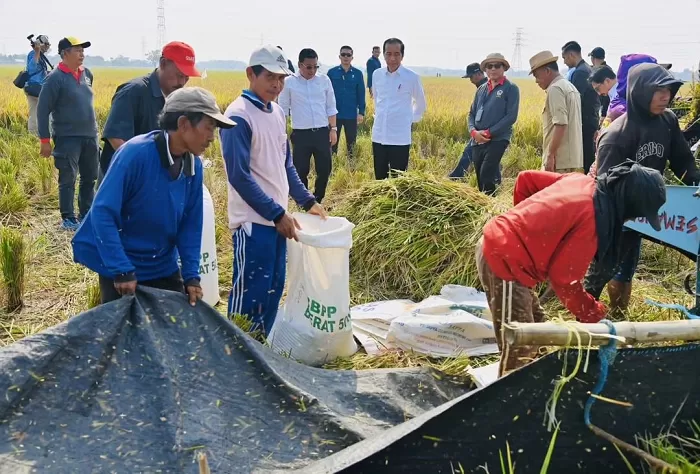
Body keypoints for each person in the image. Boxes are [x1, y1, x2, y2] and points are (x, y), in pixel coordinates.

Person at [476, 162, 666, 375]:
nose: (632, 219)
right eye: (636, 213)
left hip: (505, 252)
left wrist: (532, 228)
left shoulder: (581, 181)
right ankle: (509, 404)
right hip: (504, 261)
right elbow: (565, 281)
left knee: (540, 334)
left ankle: (537, 387)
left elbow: (525, 180)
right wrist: (593, 313)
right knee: (521, 350)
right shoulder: (592, 217)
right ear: (628, 203)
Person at [72, 87, 236, 305]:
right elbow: (103, 212)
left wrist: (191, 276)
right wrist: (121, 269)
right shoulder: (135, 155)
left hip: (160, 263)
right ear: (184, 124)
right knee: (123, 333)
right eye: (209, 127)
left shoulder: (193, 166)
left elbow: (190, 224)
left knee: (172, 330)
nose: (211, 138)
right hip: (121, 262)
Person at [220, 45, 327, 335]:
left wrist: (307, 201)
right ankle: (239, 353)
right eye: (270, 77)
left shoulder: (277, 112)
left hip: (278, 221)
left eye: (281, 79)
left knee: (272, 289)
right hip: (254, 222)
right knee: (250, 294)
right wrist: (277, 214)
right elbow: (239, 177)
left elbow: (286, 165)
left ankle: (260, 353)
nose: (277, 85)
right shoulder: (238, 116)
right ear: (250, 74)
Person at [584, 63, 700, 312]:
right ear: (639, 91)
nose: (666, 97)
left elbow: (683, 162)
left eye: (669, 90)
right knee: (606, 268)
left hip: (648, 206)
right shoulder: (617, 136)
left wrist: (696, 182)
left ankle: (619, 315)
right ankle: (582, 313)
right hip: (618, 211)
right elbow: (605, 191)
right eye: (658, 90)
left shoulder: (667, 121)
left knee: (627, 269)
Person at [99, 41, 200, 176]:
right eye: (179, 75)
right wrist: (141, 170)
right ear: (163, 64)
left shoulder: (177, 100)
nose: (182, 82)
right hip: (122, 177)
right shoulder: (133, 91)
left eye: (186, 77)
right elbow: (116, 138)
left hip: (154, 178)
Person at [37, 37, 99, 231]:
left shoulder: (87, 74)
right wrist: (45, 140)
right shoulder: (55, 78)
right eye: (77, 50)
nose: (82, 54)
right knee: (68, 177)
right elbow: (42, 110)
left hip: (90, 135)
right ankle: (68, 218)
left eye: (83, 50)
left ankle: (86, 213)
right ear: (65, 53)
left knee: (90, 177)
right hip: (67, 137)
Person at [278, 48, 338, 204]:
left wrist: (333, 129)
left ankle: (318, 198)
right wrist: (281, 134)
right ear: (299, 65)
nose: (312, 70)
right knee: (300, 170)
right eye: (308, 66)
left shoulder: (324, 81)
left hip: (322, 133)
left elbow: (331, 106)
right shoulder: (289, 83)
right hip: (301, 134)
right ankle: (304, 202)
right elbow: (283, 110)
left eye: (315, 66)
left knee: (325, 169)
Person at [371, 38, 427, 179]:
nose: (392, 58)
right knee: (380, 179)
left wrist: (409, 120)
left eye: (397, 54)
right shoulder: (377, 75)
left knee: (398, 179)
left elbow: (421, 103)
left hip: (400, 138)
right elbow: (377, 100)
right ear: (383, 55)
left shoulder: (411, 77)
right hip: (379, 135)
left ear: (402, 55)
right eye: (388, 54)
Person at [468, 53, 519, 195]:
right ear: (485, 70)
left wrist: (489, 132)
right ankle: (484, 207)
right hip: (477, 140)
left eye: (497, 66)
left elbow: (511, 117)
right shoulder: (481, 89)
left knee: (486, 174)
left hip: (497, 139)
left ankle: (492, 210)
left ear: (504, 68)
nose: (493, 69)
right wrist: (473, 132)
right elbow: (471, 113)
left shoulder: (511, 88)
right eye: (489, 66)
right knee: (479, 176)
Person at [529, 51, 583, 173]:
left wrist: (550, 155)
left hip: (559, 162)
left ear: (547, 71)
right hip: (573, 159)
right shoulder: (569, 86)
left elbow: (561, 124)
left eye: (537, 76)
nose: (536, 81)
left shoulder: (555, 89)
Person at [562, 41, 600, 174]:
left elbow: (576, 100)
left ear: (571, 55)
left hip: (584, 122)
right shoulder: (587, 68)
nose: (565, 62)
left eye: (565, 58)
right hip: (591, 120)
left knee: (585, 157)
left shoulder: (580, 72)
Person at [450, 63, 491, 178]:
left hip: (485, 130)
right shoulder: (482, 88)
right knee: (480, 155)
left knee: (472, 153)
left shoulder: (487, 88)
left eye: (471, 77)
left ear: (478, 74)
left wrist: (480, 130)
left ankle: (456, 176)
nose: (471, 81)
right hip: (480, 130)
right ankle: (457, 175)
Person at [328, 45, 366, 158]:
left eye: (348, 55)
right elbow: (326, 94)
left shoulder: (358, 74)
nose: (346, 57)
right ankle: (332, 165)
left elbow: (361, 93)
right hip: (335, 115)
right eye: (343, 54)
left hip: (351, 114)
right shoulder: (332, 73)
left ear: (352, 57)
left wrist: (361, 112)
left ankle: (351, 167)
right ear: (339, 56)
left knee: (352, 143)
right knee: (332, 142)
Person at [24, 35, 52, 135]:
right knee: (46, 111)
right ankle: (43, 134)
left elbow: (40, 71)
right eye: (47, 45)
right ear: (41, 45)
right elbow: (32, 68)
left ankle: (34, 134)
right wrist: (36, 52)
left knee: (34, 113)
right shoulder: (34, 54)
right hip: (36, 87)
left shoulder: (41, 55)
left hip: (34, 87)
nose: (48, 47)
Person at [588, 47, 610, 120]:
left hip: (602, 109)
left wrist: (603, 114)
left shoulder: (601, 72)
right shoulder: (608, 70)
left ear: (593, 58)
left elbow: (607, 94)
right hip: (603, 108)